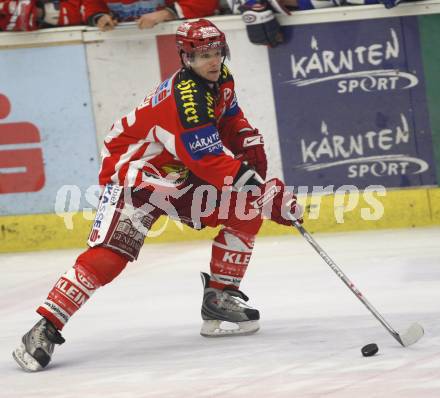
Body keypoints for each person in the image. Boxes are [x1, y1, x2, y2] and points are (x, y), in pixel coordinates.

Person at [12, 18, 303, 372]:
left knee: (245, 209)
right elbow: (208, 160)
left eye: (216, 53)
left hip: (178, 172)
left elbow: (229, 119)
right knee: (109, 257)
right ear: (185, 57)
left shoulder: (221, 79)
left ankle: (219, 296)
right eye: (203, 55)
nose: (212, 61)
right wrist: (261, 190)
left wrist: (246, 139)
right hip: (136, 174)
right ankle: (44, 327)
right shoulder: (187, 99)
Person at [83, 0, 219, 31]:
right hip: (126, 51)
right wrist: (99, 17)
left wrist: (168, 13)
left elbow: (206, 2)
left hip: (173, 47)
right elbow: (92, 6)